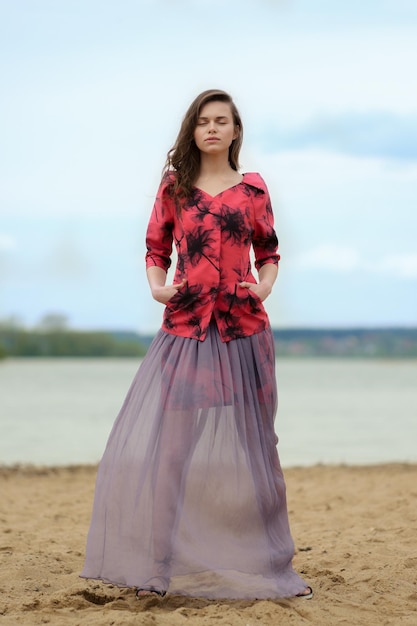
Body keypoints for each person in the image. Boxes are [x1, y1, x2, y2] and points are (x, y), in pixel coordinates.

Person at [81, 89, 312, 600]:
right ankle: (158, 568)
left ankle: (273, 566)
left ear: (235, 131)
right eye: (203, 121)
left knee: (259, 448)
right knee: (172, 451)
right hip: (187, 328)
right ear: (193, 130)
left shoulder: (253, 188)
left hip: (245, 328)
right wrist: (156, 286)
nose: (212, 128)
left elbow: (269, 249)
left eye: (221, 121)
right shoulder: (175, 187)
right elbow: (155, 248)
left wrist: (266, 285)